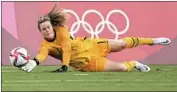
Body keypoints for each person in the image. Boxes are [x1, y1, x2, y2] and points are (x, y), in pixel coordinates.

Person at [21, 4, 171, 73]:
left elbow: (66, 47)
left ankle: (153, 41)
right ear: (40, 32)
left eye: (48, 27)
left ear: (52, 27)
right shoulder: (45, 45)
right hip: (88, 64)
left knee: (121, 43)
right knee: (123, 68)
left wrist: (65, 66)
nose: (47, 30)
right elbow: (42, 54)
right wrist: (34, 62)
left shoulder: (62, 30)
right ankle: (134, 64)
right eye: (43, 29)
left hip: (92, 45)